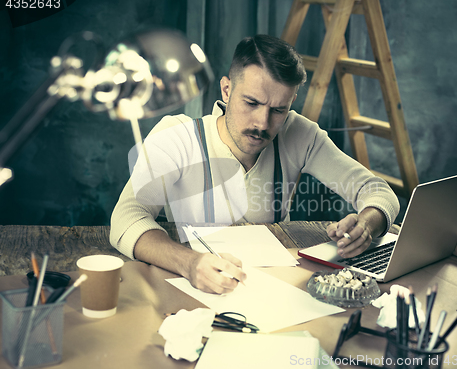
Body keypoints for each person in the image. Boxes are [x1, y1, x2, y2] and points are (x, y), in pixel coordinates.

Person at [110, 34, 399, 294]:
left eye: (278, 110)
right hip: (192, 288)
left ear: (291, 103)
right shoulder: (177, 136)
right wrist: (189, 264)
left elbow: (378, 192)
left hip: (272, 291)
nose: (262, 123)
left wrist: (367, 225)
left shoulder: (299, 134)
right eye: (251, 103)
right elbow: (127, 217)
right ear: (226, 90)